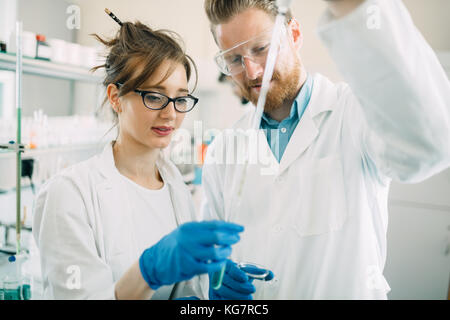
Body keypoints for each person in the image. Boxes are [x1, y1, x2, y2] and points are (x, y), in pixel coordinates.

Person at [201, 0, 450, 299]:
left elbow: (428, 149)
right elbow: (210, 249)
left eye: (261, 48)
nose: (252, 72)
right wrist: (212, 276)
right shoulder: (223, 149)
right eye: (234, 59)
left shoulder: (355, 114)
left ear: (293, 34)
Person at [32, 18, 245, 300]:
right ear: (115, 97)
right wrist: (147, 271)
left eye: (180, 99)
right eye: (155, 96)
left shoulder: (177, 190)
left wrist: (206, 291)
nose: (170, 114)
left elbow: (184, 294)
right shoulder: (71, 194)